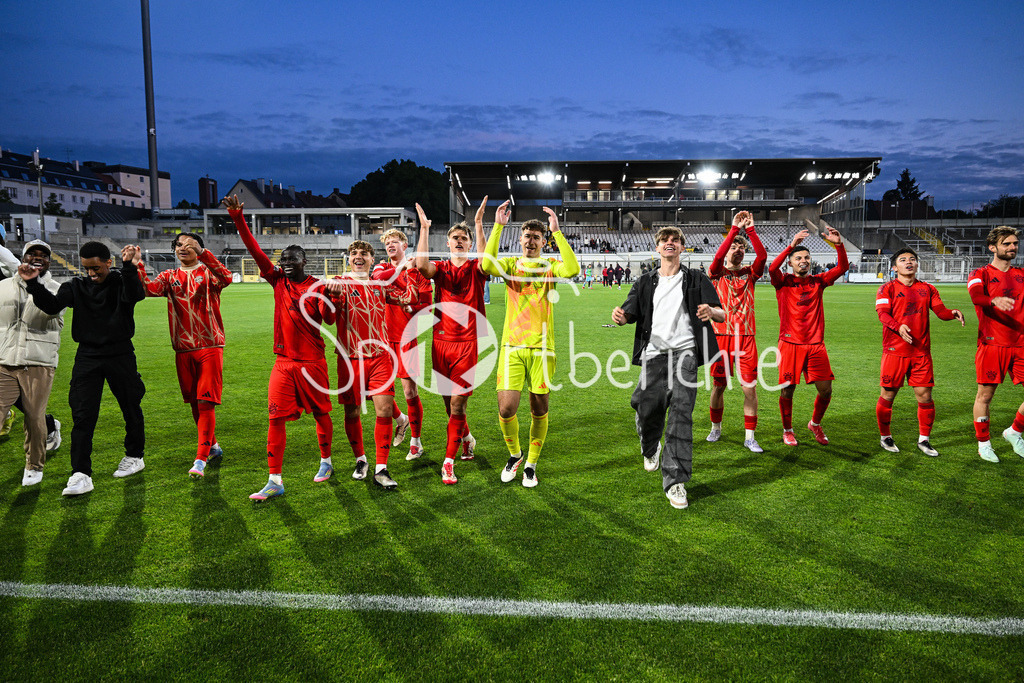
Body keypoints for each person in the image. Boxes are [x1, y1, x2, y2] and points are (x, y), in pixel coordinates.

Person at [225, 195, 336, 500]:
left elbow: (330, 319)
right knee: (274, 418)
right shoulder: (276, 281)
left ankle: (326, 461)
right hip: (283, 362)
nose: (286, 264)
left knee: (320, 413)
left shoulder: (319, 286)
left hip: (313, 363)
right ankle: (275, 480)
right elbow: (255, 250)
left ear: (304, 262)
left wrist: (334, 298)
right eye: (283, 260)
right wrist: (238, 218)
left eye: (292, 260)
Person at [22, 241, 147, 496]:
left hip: (120, 353)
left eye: (97, 268)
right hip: (87, 356)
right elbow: (52, 306)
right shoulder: (75, 286)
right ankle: (80, 473)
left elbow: (136, 295)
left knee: (130, 406)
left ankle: (135, 456)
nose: (92, 273)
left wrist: (129, 266)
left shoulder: (121, 281)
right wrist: (34, 283)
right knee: (82, 415)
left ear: (108, 263)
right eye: (87, 268)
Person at [612, 227, 724, 509]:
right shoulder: (644, 282)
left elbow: (722, 313)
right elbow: (628, 314)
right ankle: (651, 446)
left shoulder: (697, 279)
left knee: (680, 417)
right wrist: (620, 317)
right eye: (665, 240)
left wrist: (711, 312)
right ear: (658, 248)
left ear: (682, 248)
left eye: (675, 240)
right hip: (654, 354)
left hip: (686, 354)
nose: (670, 243)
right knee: (644, 406)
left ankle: (676, 482)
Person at [482, 205, 580, 488]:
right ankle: (515, 455)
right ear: (521, 239)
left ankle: (531, 465)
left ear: (542, 240)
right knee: (506, 409)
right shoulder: (511, 265)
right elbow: (487, 265)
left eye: (536, 236)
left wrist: (558, 233)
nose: (531, 240)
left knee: (539, 409)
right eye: (527, 236)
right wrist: (498, 226)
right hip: (512, 347)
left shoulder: (550, 266)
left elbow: (572, 269)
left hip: (542, 349)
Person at [139, 232, 232, 478]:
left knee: (205, 401)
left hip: (210, 346)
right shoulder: (169, 276)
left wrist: (203, 253)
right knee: (194, 402)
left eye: (190, 245)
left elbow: (227, 277)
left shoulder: (209, 273)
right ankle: (212, 446)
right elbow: (148, 290)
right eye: (179, 245)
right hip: (182, 349)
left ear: (199, 248)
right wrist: (137, 263)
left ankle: (200, 459)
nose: (183, 248)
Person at [324, 241, 415, 490]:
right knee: (351, 412)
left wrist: (406, 271)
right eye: (354, 254)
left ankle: (381, 469)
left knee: (384, 410)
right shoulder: (339, 282)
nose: (358, 257)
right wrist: (331, 295)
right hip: (349, 357)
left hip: (380, 357)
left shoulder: (379, 285)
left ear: (372, 259)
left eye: (364, 253)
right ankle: (361, 459)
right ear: (349, 260)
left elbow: (409, 297)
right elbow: (329, 318)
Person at [414, 199, 489, 485]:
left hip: (467, 343)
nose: (459, 241)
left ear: (470, 244)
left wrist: (480, 224)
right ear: (447, 243)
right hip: (440, 342)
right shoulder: (441, 268)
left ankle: (448, 462)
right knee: (449, 407)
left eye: (464, 238)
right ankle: (467, 438)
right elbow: (421, 265)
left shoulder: (475, 268)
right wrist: (423, 228)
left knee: (458, 406)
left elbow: (487, 262)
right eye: (455, 238)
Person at [875, 248, 964, 456]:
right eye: (903, 260)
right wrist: (898, 326)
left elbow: (940, 311)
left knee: (925, 397)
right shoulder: (886, 289)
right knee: (888, 395)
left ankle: (924, 440)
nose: (909, 262)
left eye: (912, 259)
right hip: (894, 351)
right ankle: (885, 436)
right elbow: (882, 314)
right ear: (894, 267)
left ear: (917, 264)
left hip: (920, 353)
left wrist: (952, 313)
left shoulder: (928, 289)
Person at [769, 219, 849, 446]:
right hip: (790, 344)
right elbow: (772, 268)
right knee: (787, 390)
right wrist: (791, 245)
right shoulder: (782, 282)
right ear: (791, 263)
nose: (803, 261)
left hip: (815, 345)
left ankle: (814, 424)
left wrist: (839, 245)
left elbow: (842, 268)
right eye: (798, 258)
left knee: (826, 390)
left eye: (806, 258)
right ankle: (787, 430)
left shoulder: (818, 282)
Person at [0, 240, 64, 486]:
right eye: (32, 254)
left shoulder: (58, 289)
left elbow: (48, 315)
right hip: (5, 360)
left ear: (49, 261)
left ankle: (34, 465)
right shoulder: (4, 286)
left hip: (38, 361)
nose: (38, 258)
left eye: (43, 255)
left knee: (34, 416)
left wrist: (32, 284)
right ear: (22, 257)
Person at [707, 211, 768, 452]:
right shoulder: (716, 272)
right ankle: (716, 427)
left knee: (749, 388)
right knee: (718, 386)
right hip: (720, 337)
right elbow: (718, 257)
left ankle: (750, 436)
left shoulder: (750, 274)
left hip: (745, 338)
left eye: (741, 248)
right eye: (734, 247)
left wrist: (750, 231)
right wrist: (733, 230)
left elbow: (762, 256)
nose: (738, 250)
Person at [372, 229, 432, 460]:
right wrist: (402, 271)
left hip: (406, 337)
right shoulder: (380, 268)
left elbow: (426, 303)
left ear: (404, 245)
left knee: (409, 391)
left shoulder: (417, 272)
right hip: (381, 338)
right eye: (387, 243)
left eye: (394, 241)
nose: (390, 245)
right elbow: (379, 279)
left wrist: (412, 306)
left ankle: (416, 442)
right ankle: (401, 420)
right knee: (379, 391)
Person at [968, 226, 1024, 462]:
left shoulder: (1022, 274)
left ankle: (1014, 431)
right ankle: (984, 444)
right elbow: (976, 297)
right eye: (1006, 244)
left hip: (1021, 343)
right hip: (993, 343)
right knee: (985, 396)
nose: (1012, 247)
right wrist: (994, 300)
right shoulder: (979, 273)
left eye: (1015, 243)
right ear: (993, 247)